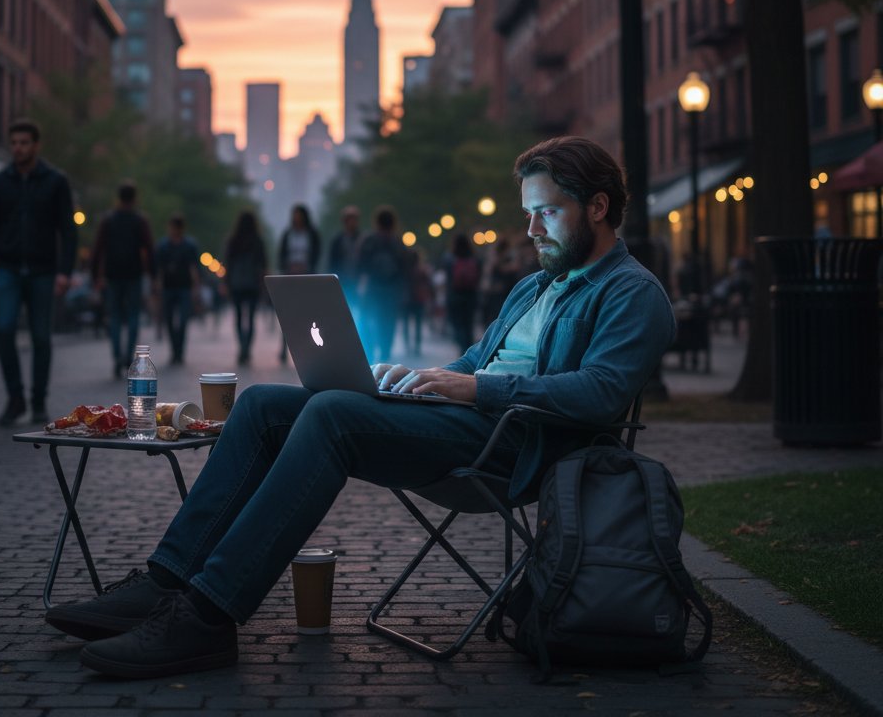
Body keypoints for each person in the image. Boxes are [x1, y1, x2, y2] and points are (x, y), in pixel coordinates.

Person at [42, 136, 675, 680]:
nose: (531, 230)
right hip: (465, 424)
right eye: (528, 214)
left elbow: (600, 393)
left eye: (547, 213)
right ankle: (166, 580)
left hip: (517, 449)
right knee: (263, 404)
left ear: (598, 207)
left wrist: (475, 389)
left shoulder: (632, 293)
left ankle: (207, 616)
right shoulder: (535, 285)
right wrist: (418, 377)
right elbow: (476, 359)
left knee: (330, 415)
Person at [0, 118, 76, 428]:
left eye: (24, 143)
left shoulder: (55, 181)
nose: (18, 148)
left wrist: (65, 271)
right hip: (7, 268)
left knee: (40, 338)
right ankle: (15, 397)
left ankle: (37, 401)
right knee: (4, 330)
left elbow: (68, 229)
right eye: (14, 143)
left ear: (35, 145)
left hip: (42, 270)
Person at [90, 180, 156, 380]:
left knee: (116, 316)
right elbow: (149, 249)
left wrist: (96, 276)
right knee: (134, 315)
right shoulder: (140, 220)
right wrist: (152, 275)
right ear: (134, 198)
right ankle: (128, 355)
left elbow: (98, 249)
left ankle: (117, 355)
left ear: (119, 197)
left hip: (113, 275)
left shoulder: (108, 220)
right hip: (134, 274)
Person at [357, 206, 408, 363]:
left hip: (373, 289)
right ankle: (385, 353)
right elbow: (405, 269)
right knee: (388, 323)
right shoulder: (398, 242)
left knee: (368, 320)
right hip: (391, 290)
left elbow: (361, 265)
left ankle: (370, 352)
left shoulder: (369, 240)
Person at [154, 214, 201, 366]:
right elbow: (159, 268)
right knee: (168, 320)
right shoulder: (163, 246)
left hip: (184, 288)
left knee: (183, 321)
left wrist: (195, 287)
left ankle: (179, 351)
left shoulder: (189, 245)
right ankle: (174, 350)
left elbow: (194, 267)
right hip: (168, 287)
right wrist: (159, 286)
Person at [223, 210, 268, 365]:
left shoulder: (233, 240)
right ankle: (247, 348)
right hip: (253, 284)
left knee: (239, 317)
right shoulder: (257, 241)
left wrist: (226, 283)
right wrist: (264, 284)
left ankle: (241, 347)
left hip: (236, 284)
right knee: (251, 318)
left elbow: (227, 263)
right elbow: (263, 264)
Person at [276, 204, 320, 362]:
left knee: (307, 315)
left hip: (306, 277)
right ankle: (284, 347)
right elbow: (281, 254)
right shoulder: (288, 234)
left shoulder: (312, 234)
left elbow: (316, 254)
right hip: (290, 278)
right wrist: (288, 267)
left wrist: (307, 267)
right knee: (288, 313)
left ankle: (306, 349)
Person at [445, 232, 481, 353]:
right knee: (468, 325)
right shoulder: (474, 258)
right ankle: (468, 350)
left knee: (457, 325)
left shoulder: (449, 258)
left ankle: (461, 348)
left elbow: (448, 279)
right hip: (470, 296)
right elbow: (478, 277)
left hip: (455, 297)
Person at [327, 205, 363, 307]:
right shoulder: (337, 240)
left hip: (357, 281)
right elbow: (332, 262)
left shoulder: (363, 239)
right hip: (342, 281)